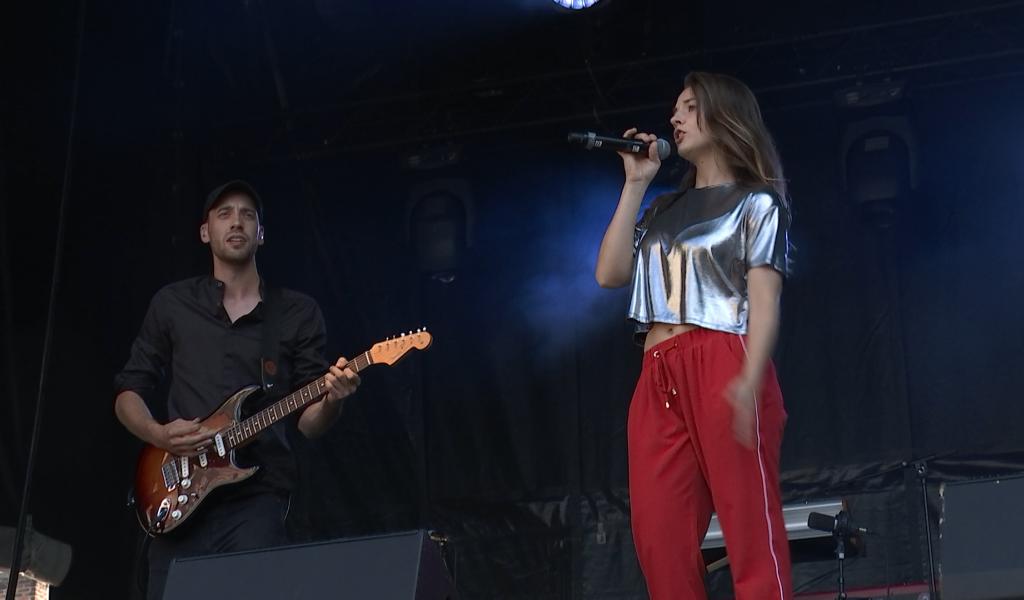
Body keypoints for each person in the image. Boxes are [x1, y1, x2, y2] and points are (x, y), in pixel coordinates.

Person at [595, 71, 793, 600]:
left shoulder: (756, 203)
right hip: (658, 371)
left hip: (724, 357)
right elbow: (610, 273)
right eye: (675, 108)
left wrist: (749, 379)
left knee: (750, 529)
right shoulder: (663, 208)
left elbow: (765, 301)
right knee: (659, 539)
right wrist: (636, 183)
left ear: (724, 114)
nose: (674, 118)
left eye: (688, 106)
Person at [114, 180, 360, 599]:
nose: (236, 222)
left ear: (261, 234)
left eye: (248, 214)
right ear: (205, 231)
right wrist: (158, 434)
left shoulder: (296, 312)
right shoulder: (173, 304)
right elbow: (128, 391)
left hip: (255, 498)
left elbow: (309, 424)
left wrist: (333, 401)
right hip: (179, 494)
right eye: (224, 213)